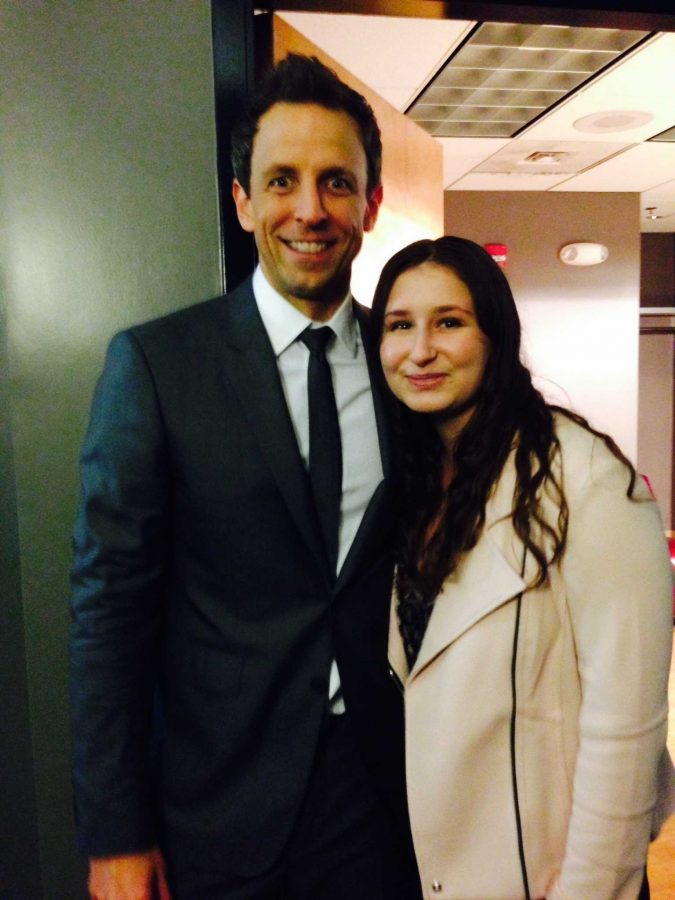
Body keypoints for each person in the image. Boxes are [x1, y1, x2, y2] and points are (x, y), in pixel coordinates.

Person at [70, 54, 420, 900]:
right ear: (243, 201)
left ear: (370, 206)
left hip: (388, 803)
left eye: (337, 183)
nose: (310, 209)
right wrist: (115, 832)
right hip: (220, 811)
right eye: (282, 181)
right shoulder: (157, 364)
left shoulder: (411, 367)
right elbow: (109, 610)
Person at [370, 235, 674, 899]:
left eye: (448, 322)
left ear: (494, 336)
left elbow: (623, 734)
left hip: (552, 878)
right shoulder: (406, 485)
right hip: (437, 868)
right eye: (399, 326)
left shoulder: (588, 483)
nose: (419, 350)